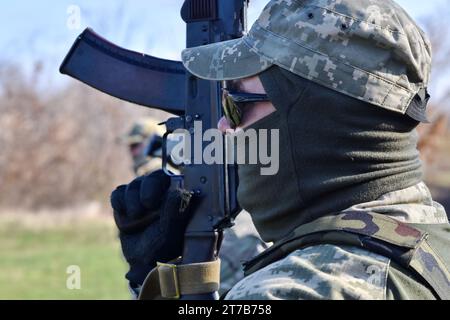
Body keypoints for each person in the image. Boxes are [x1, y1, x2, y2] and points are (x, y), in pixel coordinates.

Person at [111, 0, 450, 300]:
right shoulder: (433, 239)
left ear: (316, 120)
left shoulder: (292, 288)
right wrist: (177, 280)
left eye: (235, 104)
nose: (224, 128)